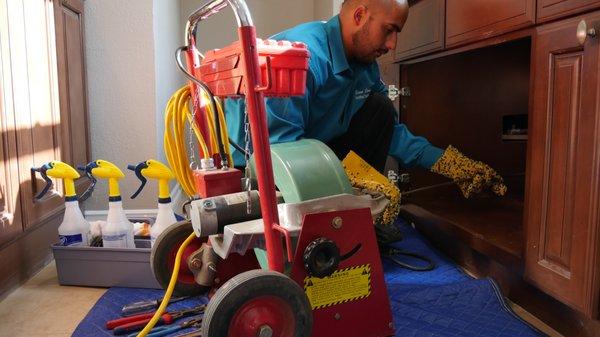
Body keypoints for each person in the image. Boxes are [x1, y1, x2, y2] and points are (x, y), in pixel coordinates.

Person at [225, 0, 506, 199]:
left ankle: (359, 217)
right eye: (389, 29)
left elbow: (391, 131)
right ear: (359, 16)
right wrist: (354, 180)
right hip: (262, 166)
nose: (392, 44)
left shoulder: (365, 67)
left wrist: (448, 164)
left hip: (313, 149)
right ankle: (348, 215)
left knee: (380, 109)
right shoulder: (304, 57)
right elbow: (282, 151)